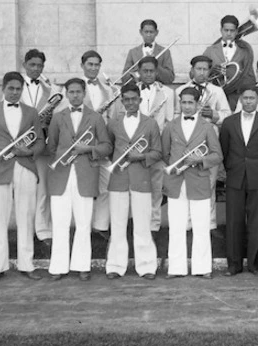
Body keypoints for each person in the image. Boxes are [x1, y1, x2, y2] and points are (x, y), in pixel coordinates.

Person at [0, 71, 45, 283]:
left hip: (25, 167)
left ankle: (27, 265)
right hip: (0, 170)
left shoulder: (32, 112)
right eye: (11, 89)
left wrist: (29, 152)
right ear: (3, 89)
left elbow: (41, 142)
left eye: (18, 89)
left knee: (26, 217)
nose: (15, 93)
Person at [46, 78, 112, 281]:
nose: (75, 95)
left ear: (84, 93)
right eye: (71, 92)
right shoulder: (58, 117)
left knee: (83, 223)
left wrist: (88, 149)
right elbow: (52, 146)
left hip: (85, 174)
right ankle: (58, 267)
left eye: (78, 92)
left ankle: (82, 265)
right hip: (61, 176)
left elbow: (106, 147)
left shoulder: (96, 118)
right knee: (60, 223)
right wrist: (64, 156)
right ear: (66, 94)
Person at [162, 87, 223, 279]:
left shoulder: (207, 127)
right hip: (176, 181)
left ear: (198, 105)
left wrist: (199, 161)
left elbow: (217, 155)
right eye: (183, 102)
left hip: (198, 180)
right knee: (177, 226)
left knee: (201, 226)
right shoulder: (170, 126)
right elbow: (165, 153)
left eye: (190, 103)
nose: (186, 106)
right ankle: (176, 268)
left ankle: (202, 267)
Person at [105, 84, 163, 280]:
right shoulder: (113, 122)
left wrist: (141, 156)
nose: (130, 102)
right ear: (122, 101)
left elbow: (157, 152)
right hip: (118, 178)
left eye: (133, 99)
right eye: (126, 99)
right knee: (118, 225)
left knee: (142, 225)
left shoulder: (150, 123)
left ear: (140, 100)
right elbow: (108, 147)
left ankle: (147, 267)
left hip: (141, 179)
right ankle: (115, 265)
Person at [219, 84, 258, 276]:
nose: (248, 101)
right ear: (240, 100)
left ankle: (254, 264)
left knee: (255, 222)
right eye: (245, 98)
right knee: (234, 222)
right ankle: (234, 265)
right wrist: (232, 170)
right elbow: (224, 151)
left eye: (252, 98)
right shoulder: (228, 123)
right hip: (235, 177)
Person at [175, 55, 231, 231]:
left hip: (208, 143)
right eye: (198, 69)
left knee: (209, 184)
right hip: (187, 142)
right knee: (187, 184)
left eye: (205, 69)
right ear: (192, 70)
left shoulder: (217, 91)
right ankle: (188, 225)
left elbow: (228, 116)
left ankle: (209, 225)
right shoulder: (181, 90)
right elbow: (175, 116)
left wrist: (213, 115)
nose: (201, 72)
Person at [120, 55, 174, 233]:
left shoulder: (168, 93)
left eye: (152, 71)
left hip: (156, 147)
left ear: (156, 72)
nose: (149, 74)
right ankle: (137, 224)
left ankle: (154, 226)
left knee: (156, 188)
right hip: (135, 147)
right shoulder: (130, 93)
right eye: (145, 71)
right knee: (134, 188)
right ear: (138, 72)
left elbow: (169, 121)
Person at [18, 48, 56, 247]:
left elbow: (54, 114)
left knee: (43, 189)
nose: (36, 69)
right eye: (32, 65)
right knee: (24, 190)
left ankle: (43, 230)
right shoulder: (15, 86)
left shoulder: (49, 88)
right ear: (25, 65)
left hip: (41, 145)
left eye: (40, 65)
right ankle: (26, 231)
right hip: (20, 145)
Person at [75, 49, 114, 238]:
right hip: (82, 143)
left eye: (97, 65)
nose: (93, 68)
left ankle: (101, 226)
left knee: (106, 186)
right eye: (90, 64)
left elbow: (112, 117)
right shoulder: (73, 88)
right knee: (85, 187)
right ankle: (85, 227)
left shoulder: (107, 89)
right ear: (82, 66)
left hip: (102, 142)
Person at [203, 15, 256, 111]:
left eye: (232, 31)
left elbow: (251, 79)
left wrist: (237, 86)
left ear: (236, 31)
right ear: (221, 30)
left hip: (236, 98)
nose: (228, 33)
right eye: (226, 30)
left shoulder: (244, 51)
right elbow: (195, 73)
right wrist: (211, 70)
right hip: (215, 99)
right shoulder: (210, 50)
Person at [120, 19, 175, 85]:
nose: (148, 35)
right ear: (141, 32)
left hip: (158, 90)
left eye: (151, 32)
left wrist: (155, 64)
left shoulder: (165, 52)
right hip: (138, 90)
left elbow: (170, 78)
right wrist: (140, 67)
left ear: (156, 32)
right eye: (146, 32)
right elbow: (124, 78)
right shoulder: (133, 52)